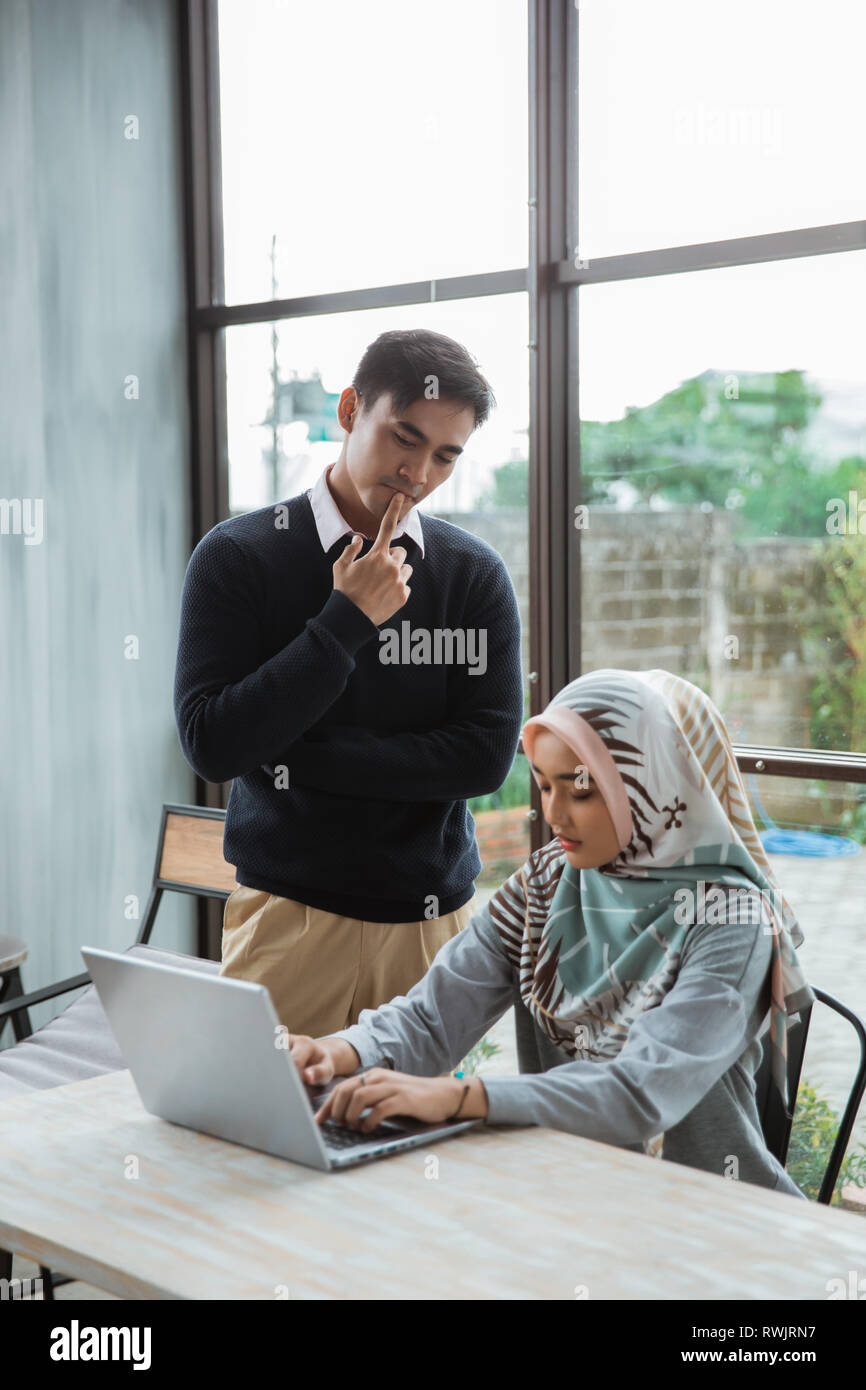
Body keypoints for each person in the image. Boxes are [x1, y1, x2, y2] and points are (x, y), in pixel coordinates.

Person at [293, 668, 815, 1197]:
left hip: (719, 1222)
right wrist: (335, 1054)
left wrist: (459, 1097)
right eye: (544, 785)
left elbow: (641, 1093)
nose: (554, 815)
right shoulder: (548, 882)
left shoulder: (732, 921)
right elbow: (434, 1019)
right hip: (568, 1195)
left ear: (650, 782)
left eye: (581, 791)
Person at [173, 329, 523, 1038]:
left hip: (431, 927)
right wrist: (345, 621)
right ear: (349, 409)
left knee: (420, 1141)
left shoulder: (472, 574)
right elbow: (213, 744)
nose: (418, 471)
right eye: (405, 437)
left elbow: (483, 757)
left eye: (445, 455)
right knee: (258, 1139)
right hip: (287, 921)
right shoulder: (239, 556)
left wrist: (295, 755)